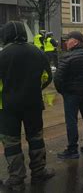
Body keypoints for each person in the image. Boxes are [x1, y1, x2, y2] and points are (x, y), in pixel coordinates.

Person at [0, 21, 55, 190]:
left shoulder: (2, 55)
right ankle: (39, 171)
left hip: (7, 108)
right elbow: (47, 76)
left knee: (11, 142)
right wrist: (34, 89)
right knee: (36, 137)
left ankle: (16, 178)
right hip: (33, 104)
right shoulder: (37, 52)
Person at [54, 31, 83, 159]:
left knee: (71, 121)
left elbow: (57, 78)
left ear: (75, 42)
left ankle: (72, 149)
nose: (66, 42)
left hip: (71, 94)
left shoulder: (67, 57)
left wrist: (62, 91)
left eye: (68, 40)